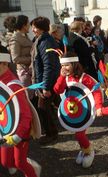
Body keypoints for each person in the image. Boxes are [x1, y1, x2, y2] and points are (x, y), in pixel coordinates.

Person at [53, 52, 103, 168]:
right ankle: (84, 149)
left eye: (67, 65)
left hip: (85, 112)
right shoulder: (65, 77)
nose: (64, 68)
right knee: (77, 134)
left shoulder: (84, 78)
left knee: (79, 135)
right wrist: (61, 77)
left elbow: (96, 90)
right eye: (62, 65)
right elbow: (57, 90)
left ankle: (89, 151)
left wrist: (99, 106)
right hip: (73, 111)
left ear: (74, 64)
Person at [0, 51, 41, 177]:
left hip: (20, 131)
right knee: (6, 162)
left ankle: (32, 171)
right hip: (5, 129)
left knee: (20, 163)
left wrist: (18, 136)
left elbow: (26, 115)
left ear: (4, 64)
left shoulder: (13, 87)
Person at [30, 16, 61, 145]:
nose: (33, 29)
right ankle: (56, 129)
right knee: (52, 105)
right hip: (44, 80)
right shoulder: (41, 40)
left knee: (43, 107)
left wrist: (46, 86)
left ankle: (52, 133)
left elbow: (49, 65)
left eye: (35, 27)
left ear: (41, 28)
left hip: (47, 81)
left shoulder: (46, 42)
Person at [9, 15, 33, 99]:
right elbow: (15, 59)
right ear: (23, 25)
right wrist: (32, 59)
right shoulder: (15, 38)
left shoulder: (25, 35)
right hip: (24, 72)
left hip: (30, 71)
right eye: (28, 23)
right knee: (28, 98)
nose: (30, 25)